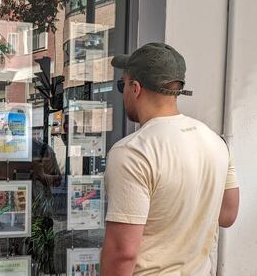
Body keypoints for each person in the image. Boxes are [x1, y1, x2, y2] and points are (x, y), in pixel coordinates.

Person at [100, 43, 239, 275]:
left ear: (135, 88)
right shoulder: (216, 142)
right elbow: (227, 215)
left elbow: (122, 254)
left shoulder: (132, 152)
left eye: (121, 85)